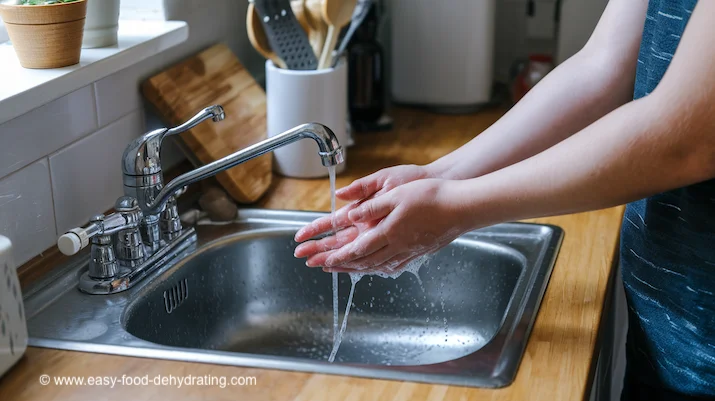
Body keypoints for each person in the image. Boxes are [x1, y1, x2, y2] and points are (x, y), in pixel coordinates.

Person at [293, 0, 715, 399]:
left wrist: (453, 205)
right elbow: (603, 65)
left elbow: (684, 138)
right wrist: (439, 175)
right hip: (668, 325)